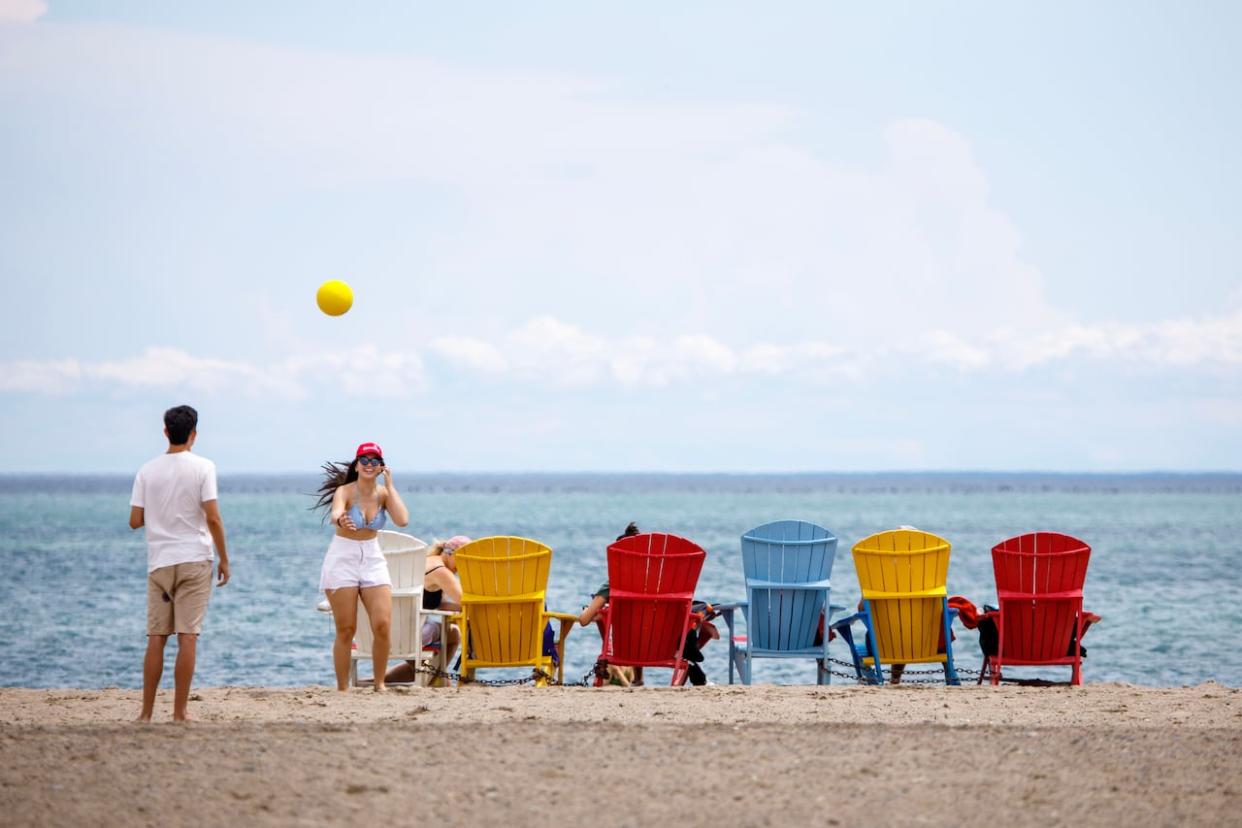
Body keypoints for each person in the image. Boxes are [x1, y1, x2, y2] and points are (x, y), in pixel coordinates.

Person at [129, 405, 230, 723]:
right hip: (194, 560)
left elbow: (135, 521)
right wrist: (225, 558)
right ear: (194, 434)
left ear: (165, 431)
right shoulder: (204, 467)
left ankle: (145, 714)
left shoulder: (147, 470)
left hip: (159, 563)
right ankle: (179, 712)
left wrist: (159, 514)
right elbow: (212, 517)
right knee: (188, 636)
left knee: (156, 637)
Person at [313, 442, 410, 692]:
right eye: (364, 460)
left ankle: (379, 684)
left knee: (382, 624)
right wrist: (341, 518)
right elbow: (336, 512)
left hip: (372, 558)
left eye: (374, 460)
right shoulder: (345, 491)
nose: (369, 464)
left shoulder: (384, 494)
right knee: (346, 628)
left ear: (381, 467)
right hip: (342, 558)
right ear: (356, 465)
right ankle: (343, 687)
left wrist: (390, 485)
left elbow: (402, 520)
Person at [578, 522, 720, 687]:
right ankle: (642, 678)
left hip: (628, 649)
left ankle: (639, 679)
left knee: (634, 624)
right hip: (664, 649)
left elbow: (583, 620)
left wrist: (591, 609)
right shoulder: (661, 583)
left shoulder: (612, 584)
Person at [384, 535, 470, 685]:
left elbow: (441, 604)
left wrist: (463, 608)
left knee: (424, 667)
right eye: (463, 560)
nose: (464, 566)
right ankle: (434, 675)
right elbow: (464, 599)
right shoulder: (441, 571)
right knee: (452, 635)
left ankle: (374, 681)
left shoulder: (429, 561)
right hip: (407, 633)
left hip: (390, 626)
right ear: (450, 553)